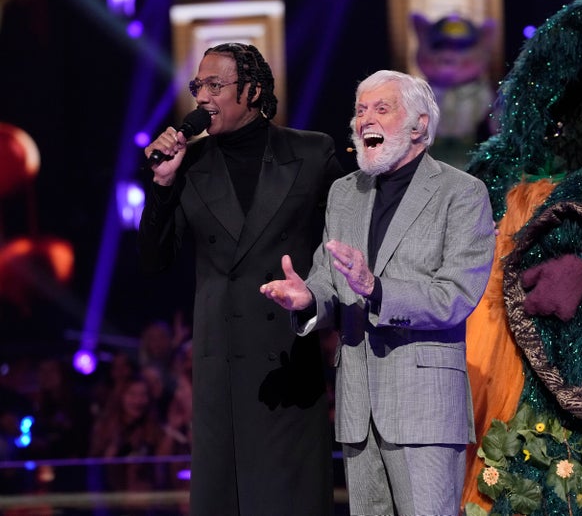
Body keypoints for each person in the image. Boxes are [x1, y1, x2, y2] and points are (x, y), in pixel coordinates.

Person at [261, 69, 495, 516]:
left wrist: (378, 289)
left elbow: (457, 295)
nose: (365, 119)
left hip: (424, 408)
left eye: (381, 108)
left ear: (420, 125)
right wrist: (308, 299)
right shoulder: (344, 193)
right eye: (360, 109)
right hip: (357, 408)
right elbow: (330, 279)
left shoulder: (461, 193)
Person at [138, 43, 343, 515]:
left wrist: (320, 296)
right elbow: (153, 263)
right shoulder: (189, 165)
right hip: (219, 368)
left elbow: (350, 238)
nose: (202, 96)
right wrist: (163, 187)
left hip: (286, 359)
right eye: (197, 86)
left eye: (215, 85)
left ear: (251, 91)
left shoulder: (311, 154)